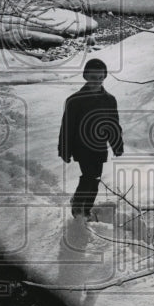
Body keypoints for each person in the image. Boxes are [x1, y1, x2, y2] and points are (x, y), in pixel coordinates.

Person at [58, 58, 123, 220]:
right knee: (89, 176)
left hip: (99, 147)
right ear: (86, 76)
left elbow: (113, 124)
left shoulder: (109, 100)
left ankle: (86, 208)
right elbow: (67, 127)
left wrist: (117, 145)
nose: (97, 81)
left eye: (100, 77)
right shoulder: (74, 100)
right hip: (81, 147)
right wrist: (64, 149)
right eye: (93, 77)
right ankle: (79, 208)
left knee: (95, 179)